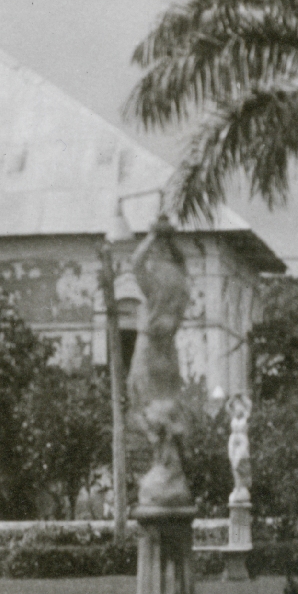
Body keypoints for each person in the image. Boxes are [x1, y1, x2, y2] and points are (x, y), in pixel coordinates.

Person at [116, 194, 196, 510]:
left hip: (150, 346)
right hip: (169, 349)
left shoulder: (156, 280)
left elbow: (135, 262)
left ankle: (163, 464)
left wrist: (151, 236)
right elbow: (183, 266)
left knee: (142, 401)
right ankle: (169, 465)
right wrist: (167, 238)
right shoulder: (181, 279)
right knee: (169, 407)